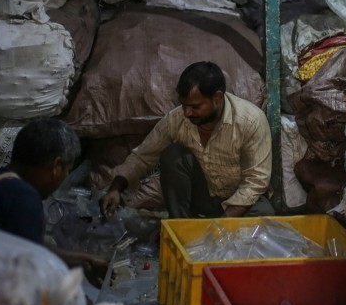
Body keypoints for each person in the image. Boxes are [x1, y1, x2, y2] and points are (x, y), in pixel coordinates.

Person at [99, 61, 275, 220]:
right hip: (202, 198)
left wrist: (222, 225)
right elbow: (144, 155)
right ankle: (181, 226)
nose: (187, 113)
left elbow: (256, 180)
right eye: (184, 105)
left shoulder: (251, 120)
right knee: (173, 155)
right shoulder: (177, 119)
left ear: (217, 98)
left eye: (195, 107)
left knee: (265, 214)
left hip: (238, 200)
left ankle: (205, 226)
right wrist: (115, 188)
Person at [0, 118, 108, 288]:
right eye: (67, 170)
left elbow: (27, 245)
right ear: (57, 166)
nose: (65, 177)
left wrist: (76, 260)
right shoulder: (23, 198)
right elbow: (28, 278)